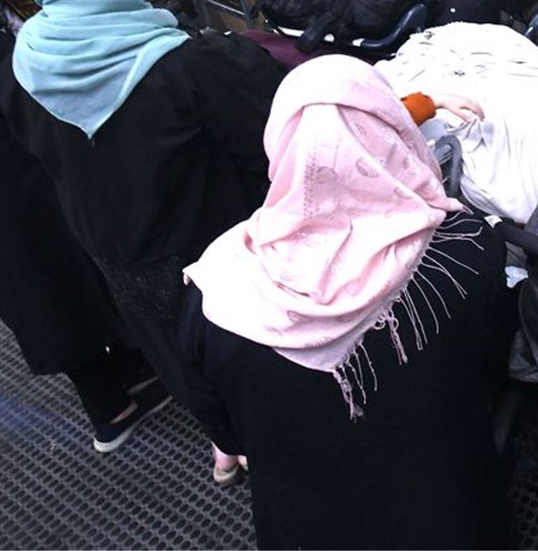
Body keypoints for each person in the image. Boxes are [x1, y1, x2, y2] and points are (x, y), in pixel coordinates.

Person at [0, 0, 287, 480]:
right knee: (249, 354)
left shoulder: (21, 64)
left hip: (116, 254)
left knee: (175, 352)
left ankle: (225, 441)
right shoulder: (188, 65)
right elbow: (276, 142)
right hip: (219, 253)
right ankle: (266, 446)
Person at [180, 55, 509, 549]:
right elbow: (489, 361)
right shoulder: (467, 246)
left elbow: (217, 412)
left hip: (306, 523)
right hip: (449, 506)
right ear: (395, 134)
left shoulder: (220, 285)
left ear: (280, 146)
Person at [0, 0, 167, 453]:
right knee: (63, 292)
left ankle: (117, 384)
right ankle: (112, 407)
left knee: (39, 301)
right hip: (22, 200)